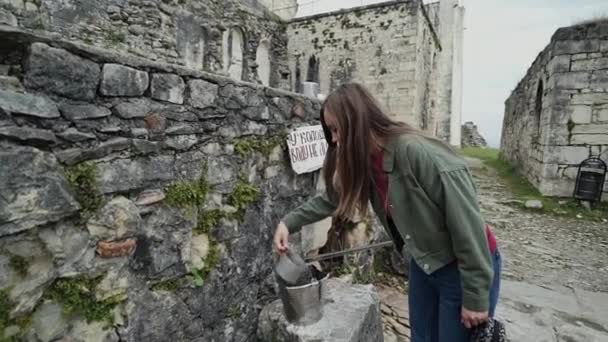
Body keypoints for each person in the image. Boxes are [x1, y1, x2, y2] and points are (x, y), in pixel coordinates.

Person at [273, 82, 501, 342]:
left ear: (356, 121)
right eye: (330, 131)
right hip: (423, 262)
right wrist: (288, 223)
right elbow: (332, 199)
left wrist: (475, 295)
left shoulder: (416, 152)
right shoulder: (367, 160)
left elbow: (469, 227)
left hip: (462, 267)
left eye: (336, 129)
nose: (333, 139)